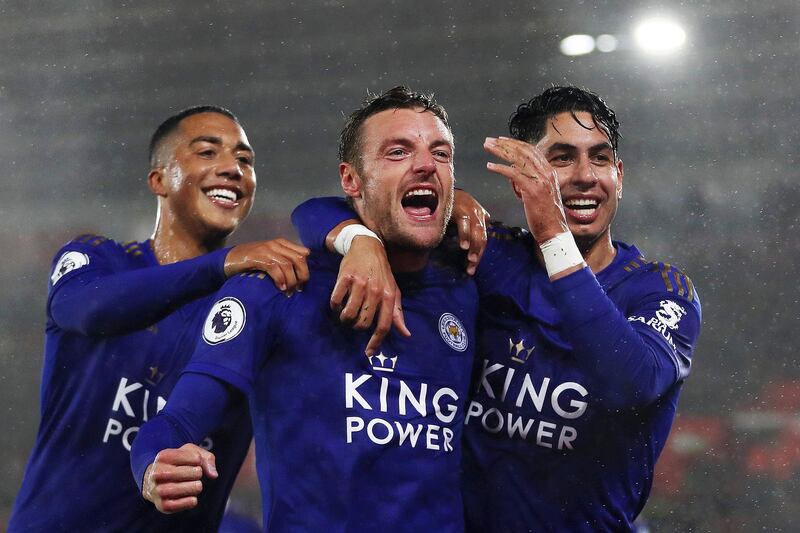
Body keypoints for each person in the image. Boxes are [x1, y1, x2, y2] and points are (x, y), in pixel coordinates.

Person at [292, 86, 702, 532]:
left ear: (619, 175)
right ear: (520, 178)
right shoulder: (490, 256)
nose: (586, 175)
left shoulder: (660, 290)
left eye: (600, 158)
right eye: (561, 159)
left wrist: (552, 234)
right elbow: (317, 211)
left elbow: (628, 384)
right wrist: (361, 240)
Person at [130, 87, 479, 531]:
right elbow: (176, 422)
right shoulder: (278, 290)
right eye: (397, 152)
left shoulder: (469, 284)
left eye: (441, 154)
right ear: (351, 181)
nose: (426, 165)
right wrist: (154, 464)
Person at [9, 106, 309, 532]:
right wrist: (220, 264)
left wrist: (355, 238)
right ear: (159, 179)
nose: (232, 168)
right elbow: (89, 308)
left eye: (245, 160)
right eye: (207, 152)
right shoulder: (98, 259)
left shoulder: (257, 308)